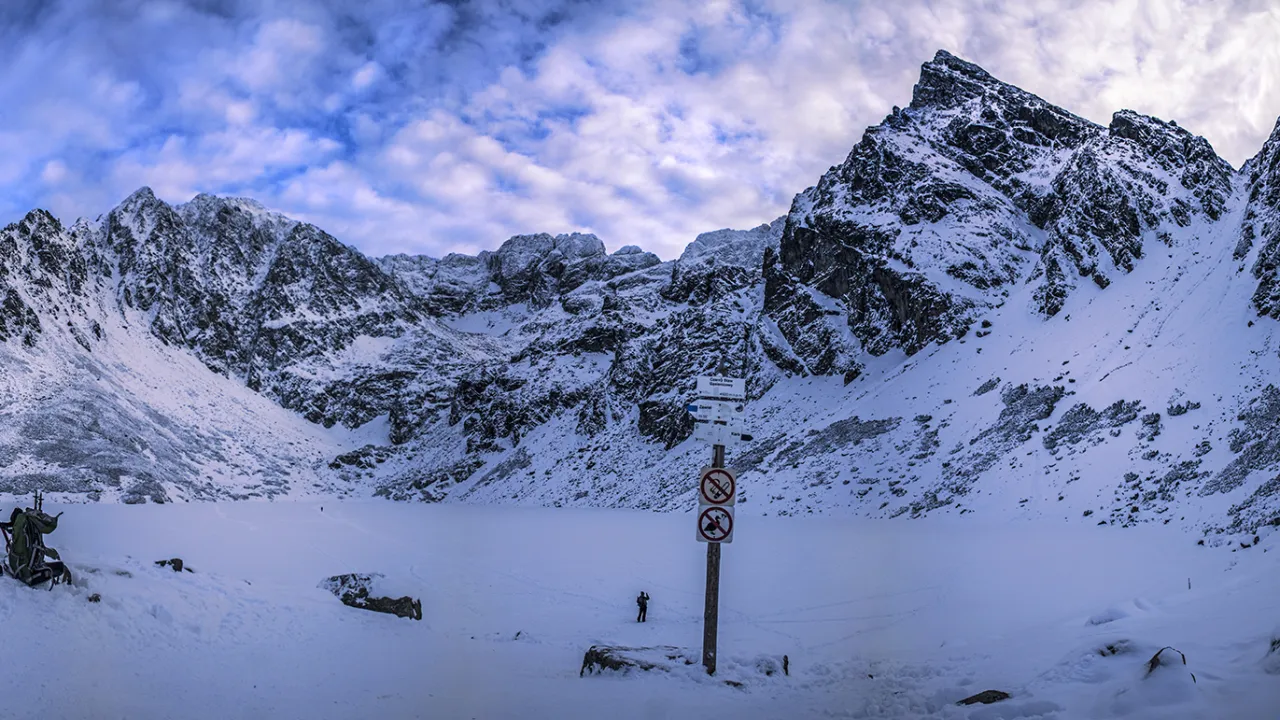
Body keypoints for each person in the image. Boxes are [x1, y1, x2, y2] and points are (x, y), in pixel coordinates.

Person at [2, 494, 72, 588]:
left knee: (58, 565)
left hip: (22, 566)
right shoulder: (27, 524)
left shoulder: (22, 525)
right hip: (27, 570)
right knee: (60, 567)